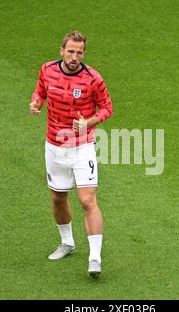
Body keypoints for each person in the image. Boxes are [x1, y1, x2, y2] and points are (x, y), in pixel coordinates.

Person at [29, 31, 113, 277]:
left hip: (82, 145)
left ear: (84, 54)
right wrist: (35, 103)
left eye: (79, 52)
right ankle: (67, 243)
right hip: (54, 146)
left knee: (87, 200)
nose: (74, 56)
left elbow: (108, 108)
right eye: (71, 51)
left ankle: (95, 257)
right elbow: (40, 93)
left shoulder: (93, 79)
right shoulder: (47, 70)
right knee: (58, 198)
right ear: (62, 51)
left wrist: (89, 122)